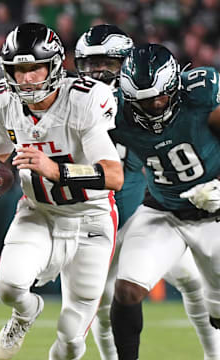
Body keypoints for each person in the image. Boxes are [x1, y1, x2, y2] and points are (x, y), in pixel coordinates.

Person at [0, 22, 124, 360]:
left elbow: (114, 175)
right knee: (9, 286)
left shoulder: (85, 100)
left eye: (35, 68)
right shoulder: (4, 101)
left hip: (92, 218)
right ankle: (26, 312)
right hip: (39, 211)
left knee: (72, 337)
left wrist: (56, 170)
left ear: (55, 66)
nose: (27, 78)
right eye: (19, 69)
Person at [74, 25, 220, 360]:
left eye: (160, 97)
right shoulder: (116, 110)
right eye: (142, 101)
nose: (154, 106)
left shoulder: (201, 98)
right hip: (162, 212)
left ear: (176, 88)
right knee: (125, 291)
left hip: (215, 214)